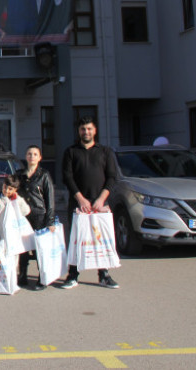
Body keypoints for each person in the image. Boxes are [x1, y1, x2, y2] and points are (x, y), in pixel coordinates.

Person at [60, 116, 120, 290]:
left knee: (101, 240)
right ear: (78, 131)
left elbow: (112, 177)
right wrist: (80, 199)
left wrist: (101, 199)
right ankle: (72, 274)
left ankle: (104, 275)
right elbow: (67, 177)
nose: (86, 132)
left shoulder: (105, 151)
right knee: (77, 239)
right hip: (78, 204)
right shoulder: (71, 152)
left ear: (95, 130)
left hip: (99, 205)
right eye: (82, 129)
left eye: (89, 128)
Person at [16, 145, 55, 290]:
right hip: (24, 216)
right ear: (26, 157)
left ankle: (42, 278)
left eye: (35, 154)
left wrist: (50, 220)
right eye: (29, 154)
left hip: (39, 215)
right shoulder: (20, 174)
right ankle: (22, 275)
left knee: (40, 249)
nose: (31, 156)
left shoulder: (43, 175)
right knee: (24, 248)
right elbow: (8, 188)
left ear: (39, 158)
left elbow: (50, 199)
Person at [0, 175, 31, 291]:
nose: (7, 191)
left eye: (10, 189)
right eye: (5, 187)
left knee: (14, 260)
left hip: (14, 237)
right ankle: (1, 282)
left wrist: (17, 200)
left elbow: (26, 211)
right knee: (1, 259)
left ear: (15, 190)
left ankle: (12, 282)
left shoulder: (17, 200)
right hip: (2, 236)